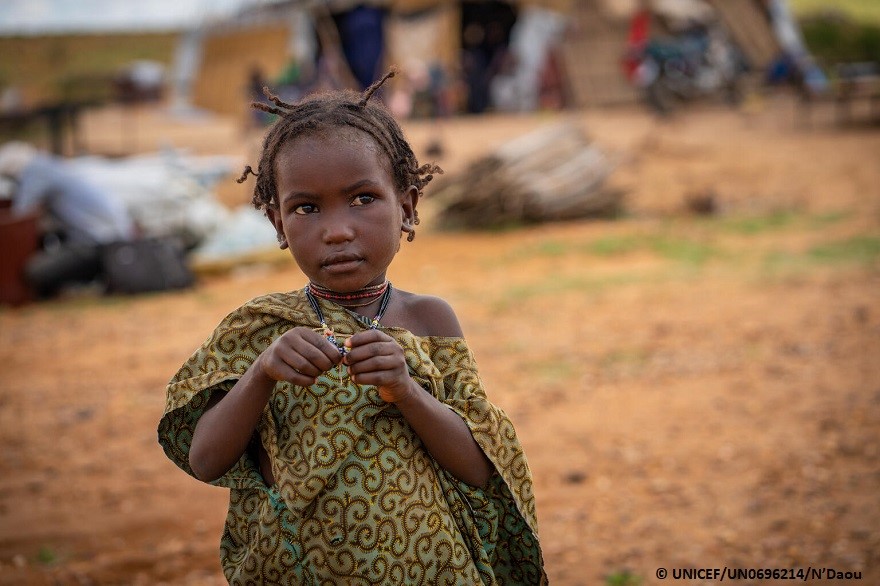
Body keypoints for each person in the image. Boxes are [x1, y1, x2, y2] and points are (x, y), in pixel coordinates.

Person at [157, 70, 546, 584]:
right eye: (306, 208)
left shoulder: (430, 321)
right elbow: (204, 460)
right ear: (277, 223)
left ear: (406, 207)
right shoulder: (259, 330)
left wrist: (406, 390)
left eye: (363, 198)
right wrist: (261, 374)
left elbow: (480, 468)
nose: (338, 230)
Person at [0, 141, 135, 298]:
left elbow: (19, 213)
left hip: (97, 242)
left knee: (34, 272)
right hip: (110, 236)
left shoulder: (35, 172)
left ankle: (86, 282)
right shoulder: (50, 165)